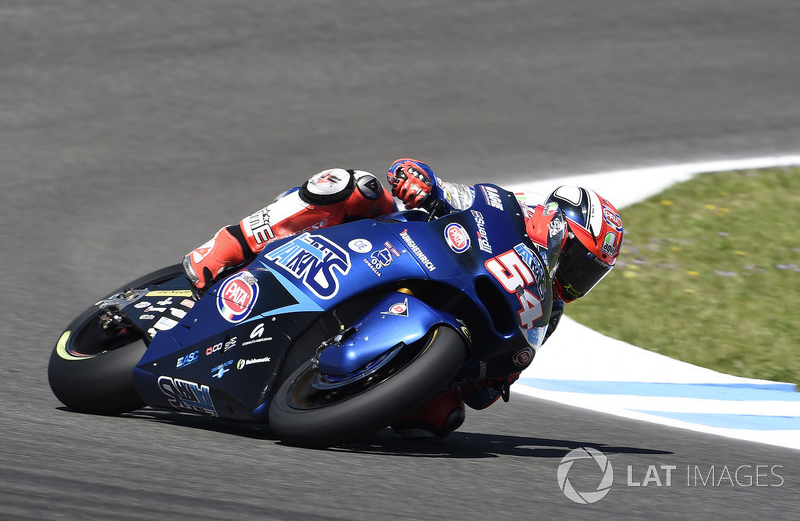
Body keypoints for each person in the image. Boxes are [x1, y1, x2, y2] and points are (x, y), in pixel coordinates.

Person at [183, 158, 624, 437]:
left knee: (439, 421)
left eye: (591, 274)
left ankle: (337, 381)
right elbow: (423, 180)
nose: (577, 278)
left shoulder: (547, 313)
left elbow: (485, 393)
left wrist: (492, 377)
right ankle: (229, 243)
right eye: (580, 261)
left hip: (436, 323)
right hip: (391, 247)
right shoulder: (500, 203)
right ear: (557, 225)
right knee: (353, 185)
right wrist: (420, 182)